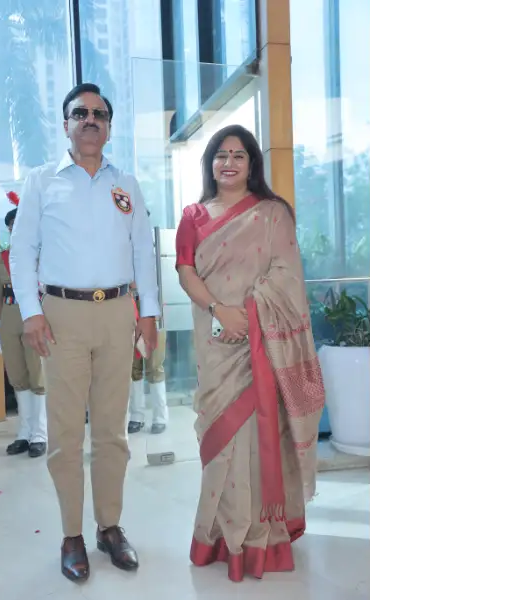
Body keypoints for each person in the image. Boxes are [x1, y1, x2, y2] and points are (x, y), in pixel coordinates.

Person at [9, 82, 160, 583]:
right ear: (66, 124)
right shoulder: (41, 181)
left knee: (113, 431)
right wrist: (31, 313)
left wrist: (148, 312)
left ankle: (109, 527)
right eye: (81, 113)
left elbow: (143, 250)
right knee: (67, 433)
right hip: (62, 316)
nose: (90, 120)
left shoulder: (126, 184)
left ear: (109, 127)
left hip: (117, 312)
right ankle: (71, 534)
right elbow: (22, 251)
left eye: (99, 114)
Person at [174, 124, 325, 582]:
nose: (229, 163)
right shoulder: (194, 216)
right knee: (220, 442)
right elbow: (185, 272)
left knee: (257, 439)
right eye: (221, 155)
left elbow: (286, 274)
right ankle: (220, 534)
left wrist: (251, 314)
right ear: (210, 163)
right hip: (216, 344)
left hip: (260, 343)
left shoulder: (273, 213)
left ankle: (262, 536)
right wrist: (222, 312)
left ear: (252, 164)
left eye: (239, 155)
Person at [0, 192, 48, 458]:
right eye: (11, 226)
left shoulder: (41, 256)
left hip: (33, 315)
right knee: (17, 376)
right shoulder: (1, 258)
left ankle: (40, 434)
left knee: (37, 376)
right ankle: (24, 433)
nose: (15, 229)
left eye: (19, 225)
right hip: (9, 317)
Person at [127, 279, 169, 434]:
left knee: (154, 366)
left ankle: (160, 417)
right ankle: (137, 416)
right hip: (128, 304)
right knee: (133, 368)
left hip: (151, 305)